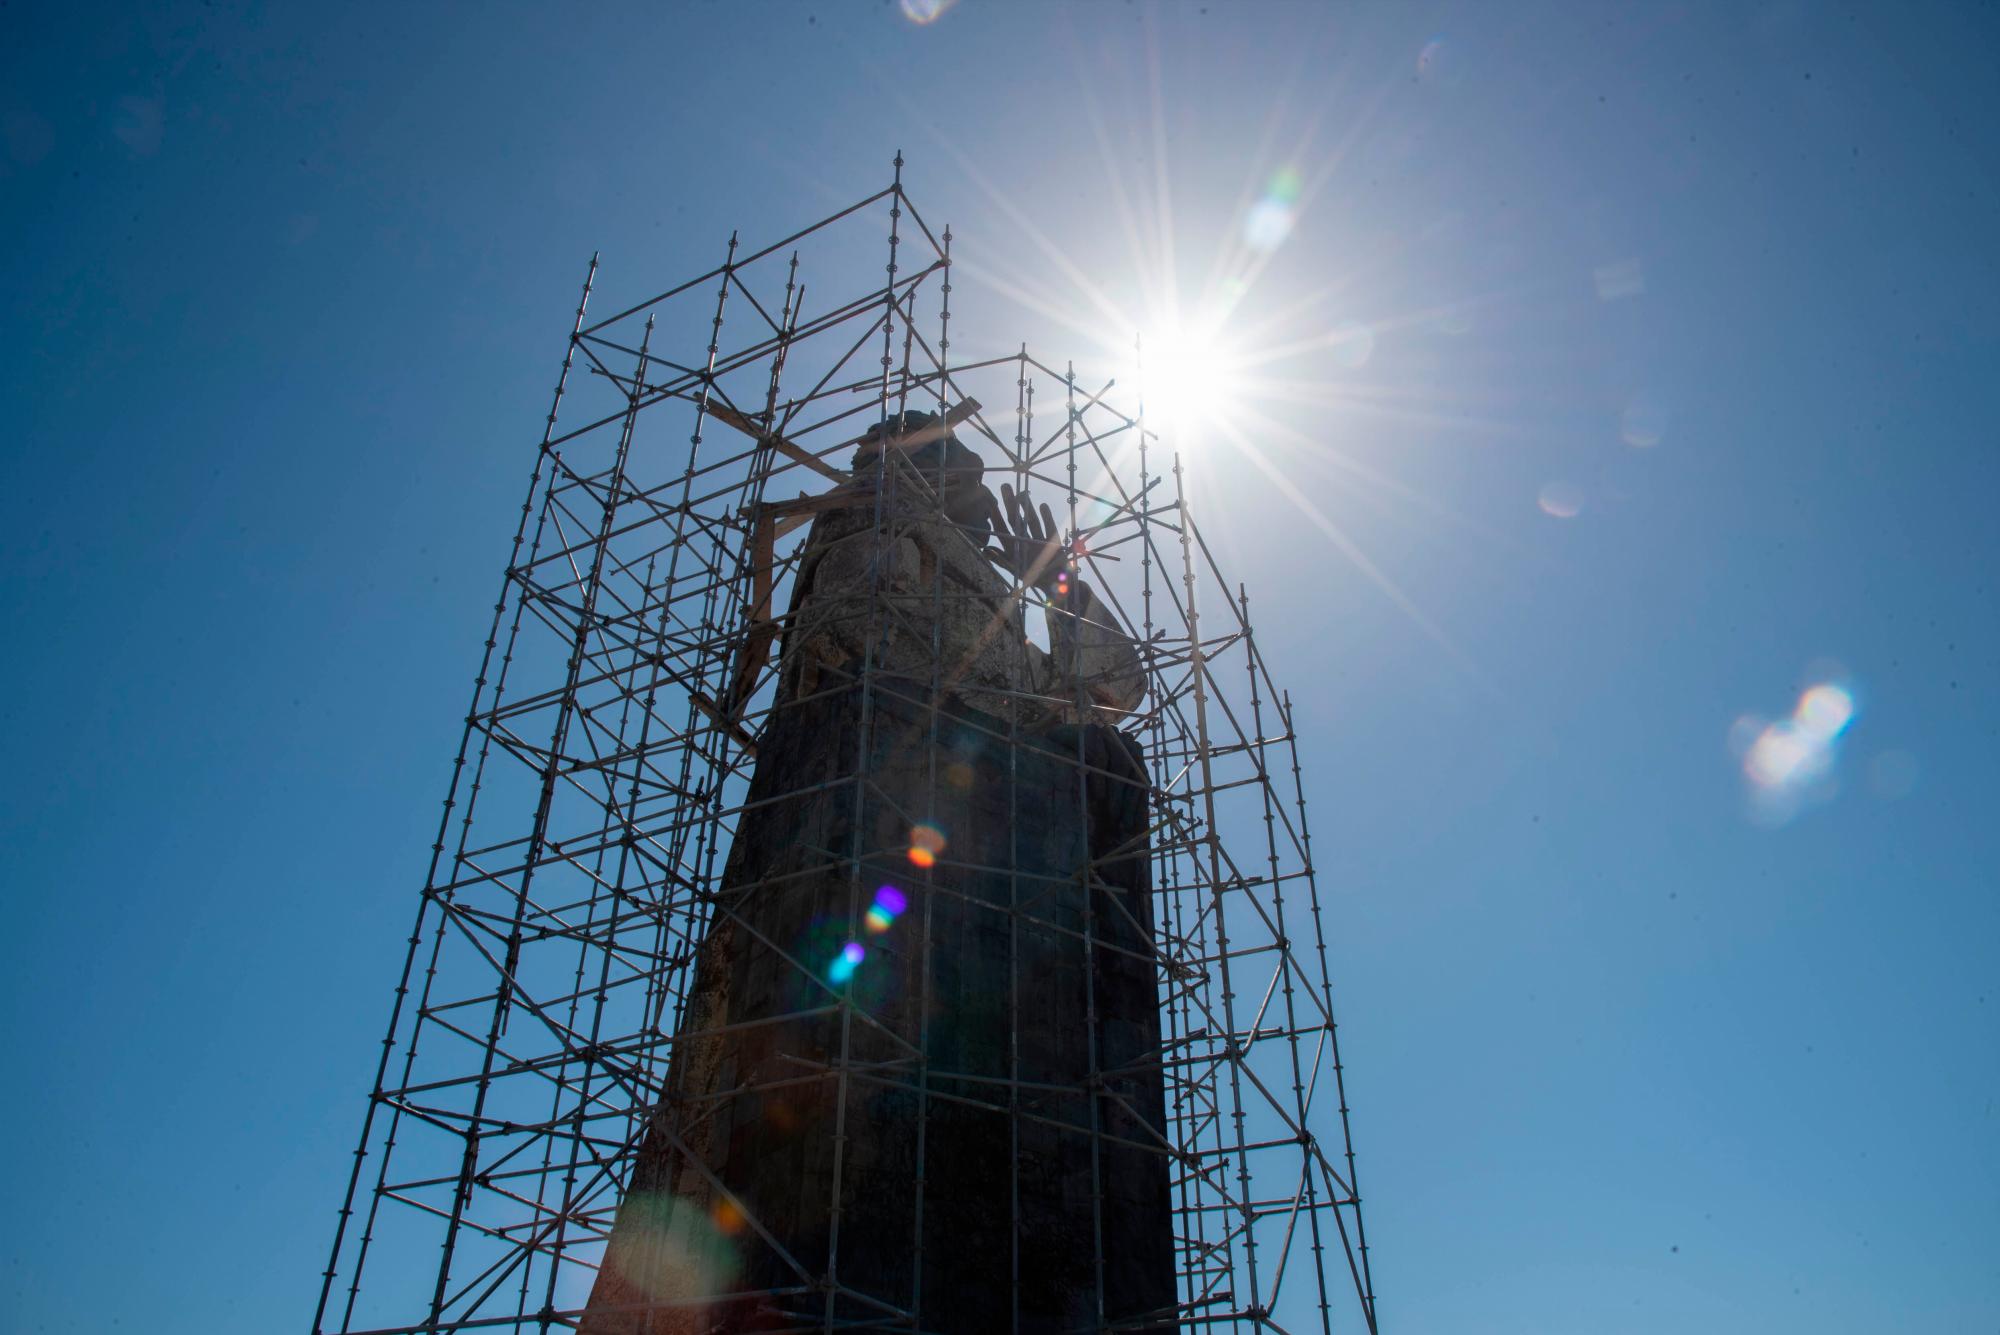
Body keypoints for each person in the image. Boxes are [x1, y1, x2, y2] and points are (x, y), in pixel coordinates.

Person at [584, 409, 1174, 1334]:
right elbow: (891, 663)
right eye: (967, 486)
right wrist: (1026, 689)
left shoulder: (977, 581)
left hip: (993, 852)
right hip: (885, 826)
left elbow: (1114, 689)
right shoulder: (868, 541)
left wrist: (1057, 579)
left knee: (1107, 766)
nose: (986, 509)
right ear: (917, 478)